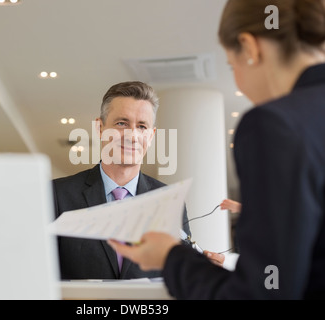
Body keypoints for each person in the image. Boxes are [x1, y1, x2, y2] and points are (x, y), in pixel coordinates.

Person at [109, 0, 325, 299]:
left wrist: (171, 257)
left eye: (230, 65)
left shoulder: (275, 123)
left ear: (249, 47)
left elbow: (261, 293)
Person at [52, 81, 191, 280]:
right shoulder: (57, 195)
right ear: (100, 128)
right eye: (121, 123)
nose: (132, 136)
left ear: (150, 136)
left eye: (142, 126)